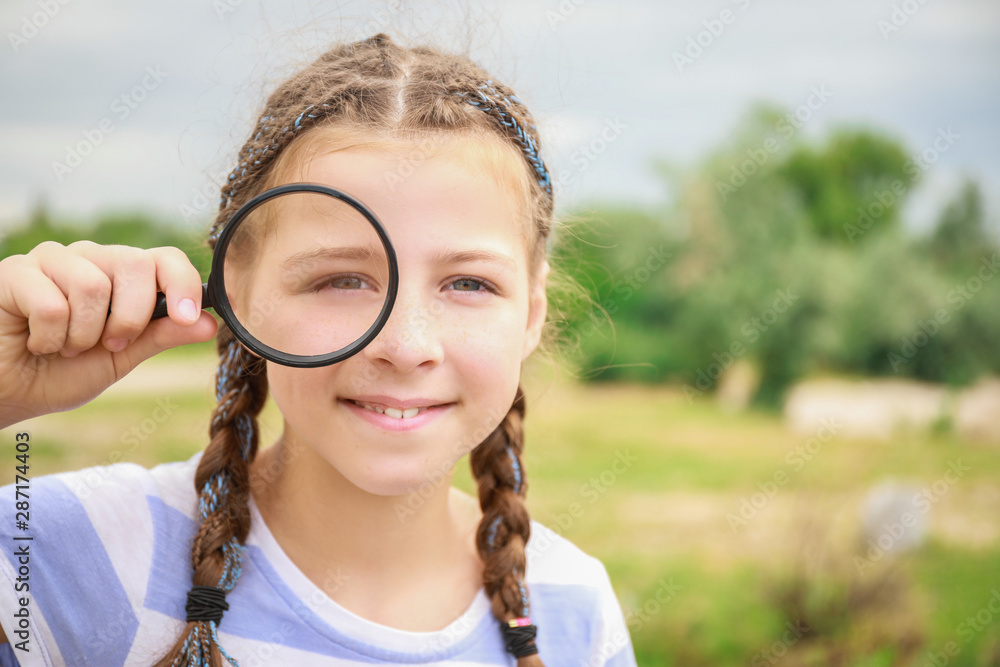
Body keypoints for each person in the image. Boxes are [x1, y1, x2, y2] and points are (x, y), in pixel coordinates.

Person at [0, 34, 637, 666]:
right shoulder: (60, 556)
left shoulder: (574, 613)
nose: (406, 346)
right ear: (238, 295)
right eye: (340, 279)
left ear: (531, 313)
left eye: (468, 283)